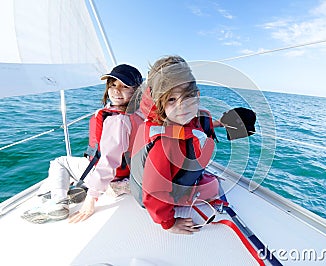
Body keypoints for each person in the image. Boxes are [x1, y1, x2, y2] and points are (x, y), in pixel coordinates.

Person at [21, 64, 144, 224]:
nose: (116, 90)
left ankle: (59, 203)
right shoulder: (139, 113)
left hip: (114, 180)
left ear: (136, 91)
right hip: (128, 174)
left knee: (60, 162)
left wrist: (91, 200)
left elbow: (108, 163)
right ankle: (76, 186)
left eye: (124, 86)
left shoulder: (118, 120)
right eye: (113, 84)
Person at [130, 56, 220, 234]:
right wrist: (169, 223)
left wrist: (221, 123)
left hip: (173, 180)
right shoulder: (165, 143)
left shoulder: (185, 120)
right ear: (159, 104)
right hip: (156, 198)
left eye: (188, 96)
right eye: (171, 99)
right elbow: (154, 190)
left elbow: (195, 127)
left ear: (197, 94)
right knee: (212, 189)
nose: (182, 106)